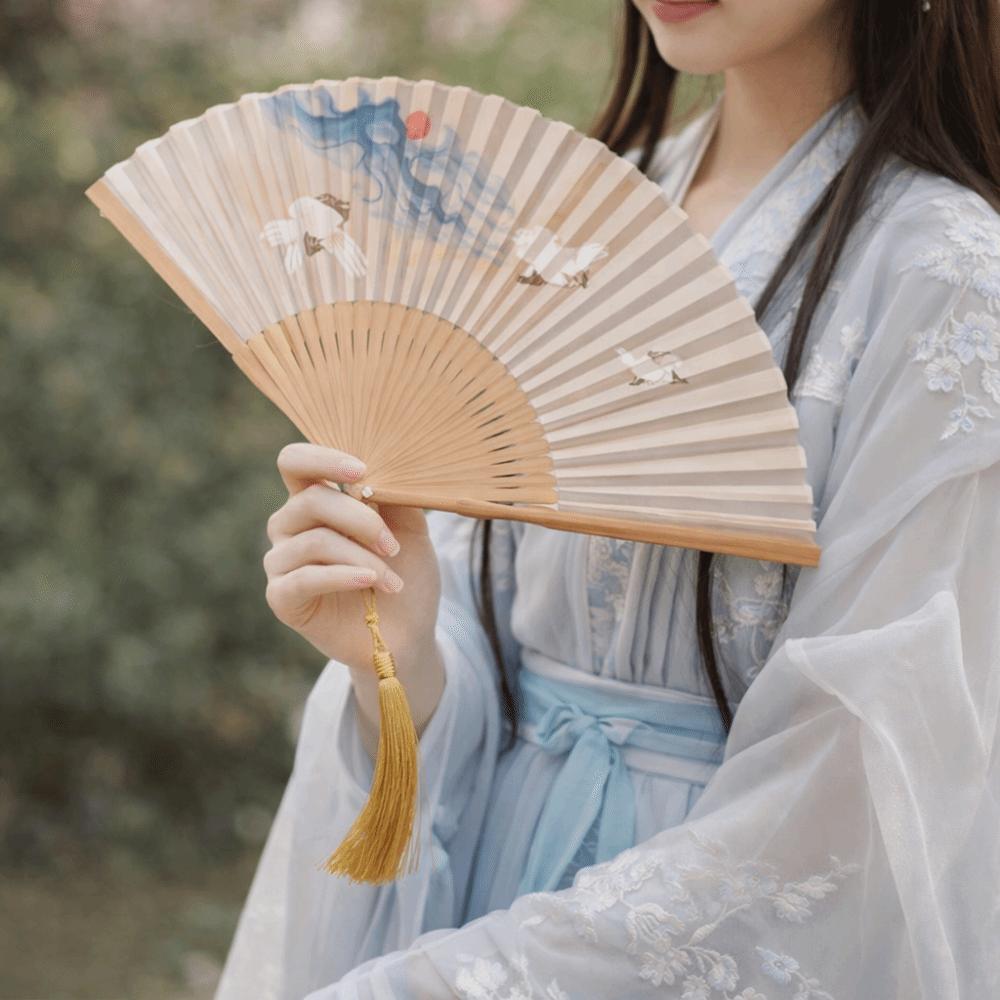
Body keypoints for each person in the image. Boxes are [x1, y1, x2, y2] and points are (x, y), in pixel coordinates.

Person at [216, 0, 1000, 997]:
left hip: (676, 936)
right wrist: (401, 655)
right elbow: (478, 616)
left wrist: (452, 984)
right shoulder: (588, 216)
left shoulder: (946, 277)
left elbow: (854, 785)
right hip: (492, 863)